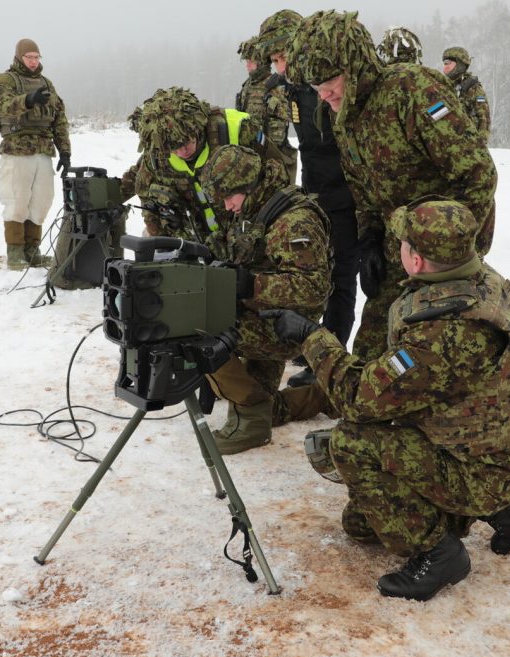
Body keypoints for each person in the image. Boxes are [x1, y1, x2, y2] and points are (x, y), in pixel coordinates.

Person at [262, 199, 510, 601]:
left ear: (418, 260)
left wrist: (310, 335)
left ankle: (441, 554)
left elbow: (358, 397)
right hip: (494, 451)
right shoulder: (482, 282)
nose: (398, 249)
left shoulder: (443, 332)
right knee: (361, 525)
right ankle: (504, 504)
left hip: (478, 467)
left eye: (404, 243)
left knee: (351, 443)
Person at [287, 11, 498, 364]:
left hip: (448, 246)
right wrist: (369, 240)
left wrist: (445, 250)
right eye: (315, 88)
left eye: (329, 83)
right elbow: (364, 191)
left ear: (354, 67)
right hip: (397, 242)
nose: (323, 96)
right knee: (373, 347)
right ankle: (368, 413)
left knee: (438, 351)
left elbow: (478, 174)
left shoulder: (413, 91)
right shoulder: (345, 119)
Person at [198, 145, 331, 454]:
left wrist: (250, 285)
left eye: (231, 197)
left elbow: (314, 288)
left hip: (287, 329)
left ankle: (252, 422)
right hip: (261, 315)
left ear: (248, 185)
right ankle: (326, 396)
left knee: (201, 329)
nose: (228, 206)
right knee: (268, 410)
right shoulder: (254, 209)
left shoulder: (295, 222)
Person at [256, 9, 361, 390]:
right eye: (273, 61)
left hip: (350, 193)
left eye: (280, 57)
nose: (277, 66)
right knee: (318, 268)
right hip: (316, 189)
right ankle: (316, 342)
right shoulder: (290, 87)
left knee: (343, 273)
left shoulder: (327, 81)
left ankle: (332, 353)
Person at [125, 87, 262, 257]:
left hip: (245, 237)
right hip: (190, 242)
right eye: (174, 148)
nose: (183, 151)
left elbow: (275, 178)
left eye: (187, 142)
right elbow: (142, 193)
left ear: (197, 126)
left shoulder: (236, 129)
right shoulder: (157, 152)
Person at [0, 38, 71, 270]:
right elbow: (3, 106)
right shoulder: (5, 81)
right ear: (19, 57)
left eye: (36, 57)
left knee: (41, 202)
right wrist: (28, 99)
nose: (33, 62)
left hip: (43, 151)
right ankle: (15, 254)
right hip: (17, 150)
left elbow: (59, 118)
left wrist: (65, 152)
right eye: (29, 57)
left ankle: (32, 252)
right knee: (16, 201)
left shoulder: (47, 83)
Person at [235, 37, 297, 185]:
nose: (247, 65)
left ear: (261, 61)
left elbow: (292, 115)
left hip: (275, 154)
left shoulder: (277, 83)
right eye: (246, 61)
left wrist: (272, 103)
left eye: (250, 61)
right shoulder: (247, 87)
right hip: (252, 155)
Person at [442, 47, 491, 144]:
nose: (445, 67)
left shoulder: (473, 88)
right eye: (444, 64)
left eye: (448, 63)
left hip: (467, 146)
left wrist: (479, 146)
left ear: (460, 64)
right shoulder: (442, 87)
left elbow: (484, 119)